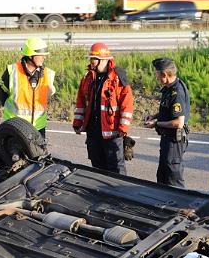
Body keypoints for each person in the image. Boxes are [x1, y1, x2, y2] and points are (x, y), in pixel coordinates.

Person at [72, 42, 134, 175]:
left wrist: (123, 128)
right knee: (97, 167)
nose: (91, 62)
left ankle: (118, 194)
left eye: (94, 59)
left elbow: (127, 104)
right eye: (90, 58)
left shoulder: (118, 78)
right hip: (93, 132)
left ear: (104, 59)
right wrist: (78, 123)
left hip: (112, 133)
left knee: (116, 168)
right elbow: (81, 102)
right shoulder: (88, 78)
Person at [144, 58, 190, 187]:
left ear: (164, 74)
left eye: (157, 74)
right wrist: (153, 116)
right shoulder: (169, 88)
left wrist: (156, 124)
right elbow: (167, 110)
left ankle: (180, 206)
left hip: (174, 142)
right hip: (167, 139)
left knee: (173, 179)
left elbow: (178, 123)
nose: (156, 77)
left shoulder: (177, 92)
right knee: (163, 177)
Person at [0, 37, 56, 138]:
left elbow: (50, 95)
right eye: (40, 55)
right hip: (15, 127)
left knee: (39, 154)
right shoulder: (12, 71)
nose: (44, 57)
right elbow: (2, 91)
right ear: (30, 55)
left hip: (38, 128)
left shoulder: (48, 74)